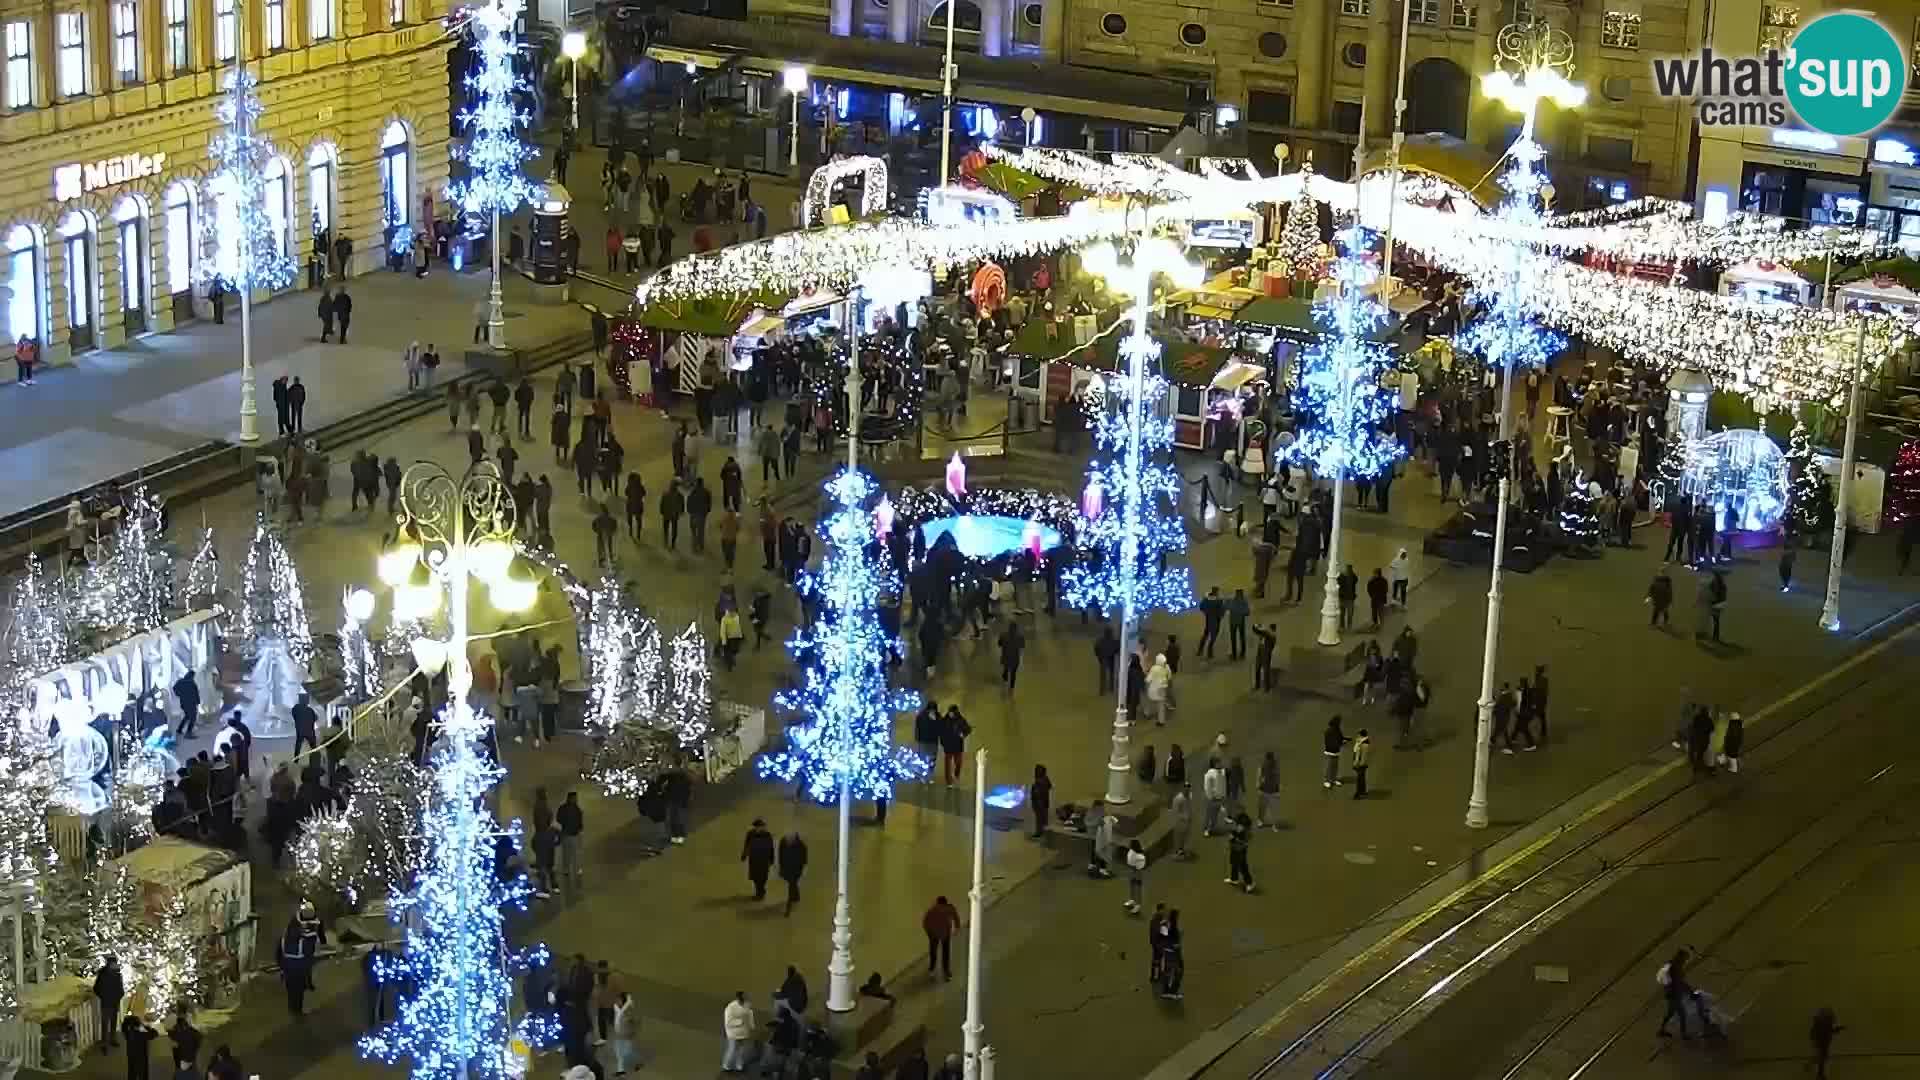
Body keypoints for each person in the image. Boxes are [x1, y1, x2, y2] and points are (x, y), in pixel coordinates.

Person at [1656, 948, 1693, 1038]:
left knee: (1670, 1013)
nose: (1686, 961)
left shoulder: (1673, 966)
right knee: (1682, 1014)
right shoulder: (1675, 968)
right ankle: (1683, 1034)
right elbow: (1678, 982)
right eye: (1685, 959)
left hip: (1673, 994)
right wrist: (1689, 990)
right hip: (1674, 995)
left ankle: (1661, 1030)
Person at [922, 894, 960, 980]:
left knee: (933, 951)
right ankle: (946, 972)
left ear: (937, 902)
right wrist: (957, 928)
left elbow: (925, 922)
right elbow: (956, 918)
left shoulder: (932, 910)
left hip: (934, 934)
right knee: (945, 953)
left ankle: (932, 969)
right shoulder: (950, 908)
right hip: (945, 934)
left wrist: (929, 933)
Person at [94, 955, 125, 1048]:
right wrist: (103, 996)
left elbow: (120, 988)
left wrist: (119, 996)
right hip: (107, 1001)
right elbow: (96, 988)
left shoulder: (117, 974)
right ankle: (105, 1041)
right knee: (105, 1022)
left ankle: (112, 1039)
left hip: (114, 1001)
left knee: (113, 1021)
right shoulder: (103, 975)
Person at [721, 991, 755, 1072]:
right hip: (733, 1033)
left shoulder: (747, 1004)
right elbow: (728, 1022)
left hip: (744, 1032)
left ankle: (739, 1065)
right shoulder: (730, 1008)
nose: (746, 1000)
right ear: (738, 998)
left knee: (742, 1050)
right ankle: (726, 1065)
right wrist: (740, 1022)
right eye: (744, 998)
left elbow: (750, 1014)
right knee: (732, 1049)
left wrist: (751, 1025)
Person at [557, 791, 585, 888]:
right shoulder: (576, 809)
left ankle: (568, 869)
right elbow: (580, 820)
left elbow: (558, 818)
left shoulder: (565, 808)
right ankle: (572, 869)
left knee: (568, 852)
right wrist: (579, 828)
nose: (575, 800)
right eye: (574, 798)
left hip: (568, 833)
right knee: (571, 852)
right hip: (571, 833)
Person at [777, 829, 808, 916]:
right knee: (792, 883)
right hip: (786, 868)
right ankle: (796, 896)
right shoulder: (783, 842)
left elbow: (804, 859)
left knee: (791, 884)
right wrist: (781, 867)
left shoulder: (801, 846)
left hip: (796, 869)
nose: (788, 840)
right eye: (787, 838)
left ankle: (789, 905)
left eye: (790, 838)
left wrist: (803, 869)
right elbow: (780, 854)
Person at [1156, 909, 1184, 999]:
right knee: (1177, 972)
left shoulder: (1165, 924)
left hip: (1169, 952)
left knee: (1169, 971)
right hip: (1172, 953)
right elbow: (1170, 941)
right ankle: (1171, 992)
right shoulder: (1171, 926)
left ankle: (1167, 991)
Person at [939, 705, 970, 784]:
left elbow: (968, 729)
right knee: (947, 764)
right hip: (948, 745)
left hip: (957, 745)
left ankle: (956, 774)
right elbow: (941, 731)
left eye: (952, 712)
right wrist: (943, 742)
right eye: (949, 712)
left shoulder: (961, 720)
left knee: (958, 762)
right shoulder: (945, 720)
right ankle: (948, 780)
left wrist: (963, 734)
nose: (950, 714)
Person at [1809, 1006, 1842, 1079]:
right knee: (1821, 1057)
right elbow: (1828, 1031)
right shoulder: (1822, 1024)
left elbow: (1829, 1031)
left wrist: (1837, 1029)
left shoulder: (1821, 1023)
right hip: (1822, 1042)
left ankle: (1812, 1066)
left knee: (1820, 1056)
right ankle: (1819, 1073)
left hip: (1823, 1042)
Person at [123, 1012, 158, 1080]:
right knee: (142, 1073)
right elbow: (154, 1033)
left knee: (131, 1071)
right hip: (141, 1056)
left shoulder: (128, 1033)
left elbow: (124, 1026)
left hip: (131, 1054)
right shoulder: (141, 1034)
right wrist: (146, 1027)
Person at [1226, 812, 1255, 891]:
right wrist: (1231, 838)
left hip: (1240, 852)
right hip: (1234, 850)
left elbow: (1245, 843)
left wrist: (1235, 839)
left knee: (1243, 868)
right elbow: (1231, 838)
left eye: (1240, 826)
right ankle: (1234, 879)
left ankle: (1250, 883)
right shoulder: (1236, 830)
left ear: (1245, 827)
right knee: (1233, 864)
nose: (1238, 827)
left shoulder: (1247, 834)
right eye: (1237, 825)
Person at [1200, 758, 1227, 836]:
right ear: (1214, 764)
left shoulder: (1222, 772)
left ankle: (1211, 828)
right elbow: (1207, 787)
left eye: (1220, 762)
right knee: (1209, 815)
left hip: (1220, 798)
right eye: (1218, 763)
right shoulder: (1209, 774)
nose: (1220, 764)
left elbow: (1223, 785)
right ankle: (1206, 829)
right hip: (1212, 799)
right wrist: (1210, 797)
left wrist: (1223, 795)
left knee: (1215, 815)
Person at [1146, 653, 1173, 726]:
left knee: (1150, 701)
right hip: (1163, 688)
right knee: (1161, 705)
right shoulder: (1167, 667)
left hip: (1154, 689)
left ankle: (1148, 714)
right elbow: (1170, 676)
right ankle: (1161, 721)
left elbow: (1148, 679)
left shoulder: (1154, 668)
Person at [1197, 587, 1224, 658]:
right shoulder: (1218, 601)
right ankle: (1209, 651)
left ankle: (1200, 650)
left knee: (1206, 634)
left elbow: (1201, 607)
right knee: (1213, 636)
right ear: (1216, 592)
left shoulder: (1206, 599)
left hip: (1208, 619)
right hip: (1216, 620)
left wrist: (1207, 612)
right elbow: (1221, 611)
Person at [998, 621, 1025, 691]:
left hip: (1005, 657)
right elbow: (1022, 648)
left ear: (1009, 628)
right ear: (1016, 629)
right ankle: (1011, 687)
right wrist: (1021, 660)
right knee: (1013, 673)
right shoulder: (1020, 637)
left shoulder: (1003, 635)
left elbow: (999, 644)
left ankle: (1005, 676)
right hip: (1015, 659)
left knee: (1006, 666)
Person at [1322, 716, 1347, 788]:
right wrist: (1341, 743)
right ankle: (1327, 781)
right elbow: (1330, 742)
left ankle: (1333, 779)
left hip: (1336, 751)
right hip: (1330, 751)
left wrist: (1345, 739)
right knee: (1329, 766)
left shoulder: (1337, 729)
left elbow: (1340, 737)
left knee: (1335, 766)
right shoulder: (1329, 731)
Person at [291, 692, 319, 757]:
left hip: (300, 731)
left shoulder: (296, 708)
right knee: (313, 746)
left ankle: (296, 759)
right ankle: (315, 759)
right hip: (309, 731)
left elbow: (294, 716)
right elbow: (315, 718)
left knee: (298, 746)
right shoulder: (310, 710)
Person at [1251, 623, 1277, 691]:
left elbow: (1263, 632)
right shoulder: (1267, 633)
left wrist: (1257, 626)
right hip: (1260, 651)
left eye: (1269, 628)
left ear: (1272, 629)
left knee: (1266, 670)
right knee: (1257, 668)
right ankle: (1257, 685)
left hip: (1266, 653)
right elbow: (1260, 632)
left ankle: (1266, 687)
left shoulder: (1272, 635)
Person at [1028, 764, 1051, 839]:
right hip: (1038, 803)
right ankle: (1040, 833)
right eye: (1036, 770)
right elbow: (1035, 792)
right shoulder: (1039, 780)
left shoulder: (1043, 780)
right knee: (1039, 819)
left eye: (1038, 770)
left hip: (1042, 803)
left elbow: (1041, 791)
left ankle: (1043, 834)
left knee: (1043, 819)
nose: (1036, 772)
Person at [1093, 626, 1119, 693]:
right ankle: (1111, 688)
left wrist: (1099, 657)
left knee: (1103, 675)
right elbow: (1117, 649)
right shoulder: (1114, 641)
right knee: (1111, 675)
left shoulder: (1100, 640)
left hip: (1104, 658)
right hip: (1110, 658)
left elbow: (1096, 649)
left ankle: (1103, 690)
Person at [1125, 839, 1148, 912]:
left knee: (1138, 889)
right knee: (1131, 886)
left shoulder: (1140, 856)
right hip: (1132, 871)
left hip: (1137, 872)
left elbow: (1141, 864)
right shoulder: (1131, 851)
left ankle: (1138, 906)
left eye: (1130, 843)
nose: (1128, 844)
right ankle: (1132, 900)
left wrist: (1136, 868)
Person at [1351, 729, 1373, 798]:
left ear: (1361, 735)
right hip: (1362, 763)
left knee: (1359, 779)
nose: (1357, 736)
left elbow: (1362, 756)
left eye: (1359, 734)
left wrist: (1358, 764)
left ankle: (1358, 793)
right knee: (1362, 778)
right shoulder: (1362, 742)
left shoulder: (1363, 744)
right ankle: (1363, 791)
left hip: (1361, 764)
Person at [1336, 564, 1359, 629]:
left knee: (1349, 614)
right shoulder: (1341, 577)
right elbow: (1338, 582)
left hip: (1349, 598)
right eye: (1347, 569)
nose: (1347, 571)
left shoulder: (1353, 577)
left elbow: (1356, 580)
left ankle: (1348, 626)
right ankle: (1342, 626)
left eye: (1349, 569)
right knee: (1343, 614)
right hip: (1344, 598)